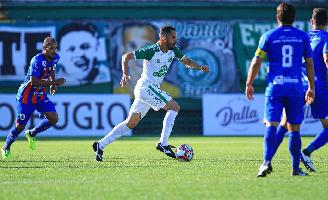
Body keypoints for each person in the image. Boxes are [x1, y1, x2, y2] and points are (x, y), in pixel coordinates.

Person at [92, 25, 209, 162]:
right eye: (172, 37)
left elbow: (187, 61)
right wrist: (125, 74)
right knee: (174, 107)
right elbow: (126, 56)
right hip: (146, 87)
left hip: (148, 89)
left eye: (175, 37)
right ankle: (163, 143)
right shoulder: (151, 50)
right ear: (164, 38)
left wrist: (200, 67)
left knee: (131, 123)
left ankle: (101, 144)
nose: (175, 40)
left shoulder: (173, 50)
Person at [271, 8, 328, 172]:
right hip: (317, 85)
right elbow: (327, 57)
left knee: (285, 122)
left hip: (295, 84)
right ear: (327, 23)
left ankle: (267, 158)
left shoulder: (302, 36)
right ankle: (307, 152)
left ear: (311, 21)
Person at [245, 2, 315, 177]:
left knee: (271, 124)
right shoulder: (302, 37)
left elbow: (256, 61)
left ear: (277, 17)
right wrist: (312, 87)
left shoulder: (269, 36)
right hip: (295, 88)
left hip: (275, 87)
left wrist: (249, 83)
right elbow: (309, 63)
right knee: (295, 129)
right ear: (294, 18)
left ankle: (266, 162)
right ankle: (295, 169)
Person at [1, 37, 66, 159]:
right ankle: (6, 146)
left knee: (54, 119)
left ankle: (32, 133)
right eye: (51, 48)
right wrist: (55, 83)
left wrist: (53, 83)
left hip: (40, 95)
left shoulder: (55, 58)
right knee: (20, 126)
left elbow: (51, 69)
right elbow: (33, 81)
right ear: (45, 48)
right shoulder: (36, 60)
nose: (54, 50)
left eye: (55, 48)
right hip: (27, 96)